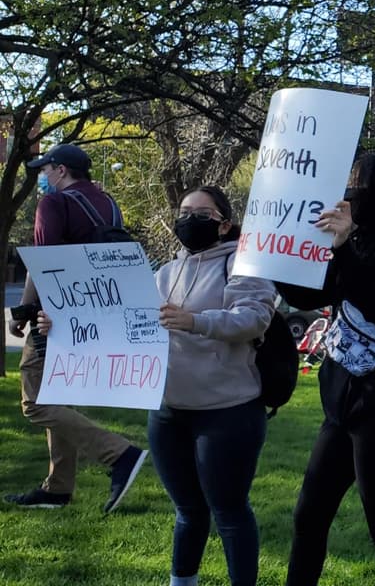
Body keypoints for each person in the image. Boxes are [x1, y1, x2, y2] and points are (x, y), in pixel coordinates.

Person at [35, 185, 275, 585]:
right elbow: (117, 323)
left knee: (230, 513)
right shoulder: (163, 273)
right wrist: (58, 325)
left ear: (224, 225)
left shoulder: (243, 265)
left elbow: (253, 318)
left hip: (228, 412)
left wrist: (195, 322)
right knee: (188, 511)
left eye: (202, 214)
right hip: (167, 412)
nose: (190, 220)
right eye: (184, 212)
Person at [275, 153, 375, 586]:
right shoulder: (359, 240)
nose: (350, 194)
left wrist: (343, 246)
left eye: (360, 185)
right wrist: (272, 257)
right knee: (309, 514)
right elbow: (312, 294)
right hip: (341, 407)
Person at [4, 143, 147, 512]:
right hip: (95, 315)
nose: (43, 176)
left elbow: (43, 263)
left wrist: (23, 312)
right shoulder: (108, 204)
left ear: (62, 170)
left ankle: (119, 454)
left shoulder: (53, 203)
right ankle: (57, 488)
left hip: (55, 317)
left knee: (35, 403)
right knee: (57, 396)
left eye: (45, 169)